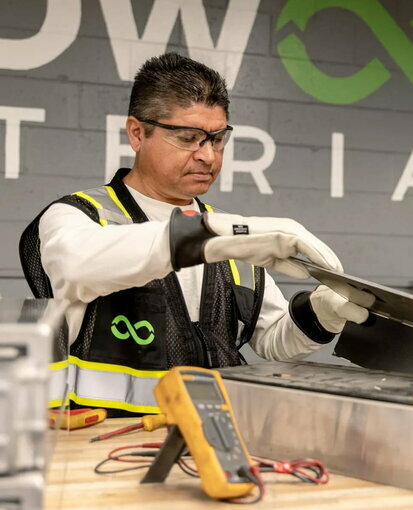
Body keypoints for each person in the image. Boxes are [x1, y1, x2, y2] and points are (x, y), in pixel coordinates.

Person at [19, 53, 368, 415]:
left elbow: (272, 340)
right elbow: (78, 266)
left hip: (210, 438)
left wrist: (322, 313)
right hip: (104, 444)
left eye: (217, 139)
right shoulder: (79, 216)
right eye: (189, 138)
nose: (209, 157)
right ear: (137, 133)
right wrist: (217, 235)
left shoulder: (226, 235)